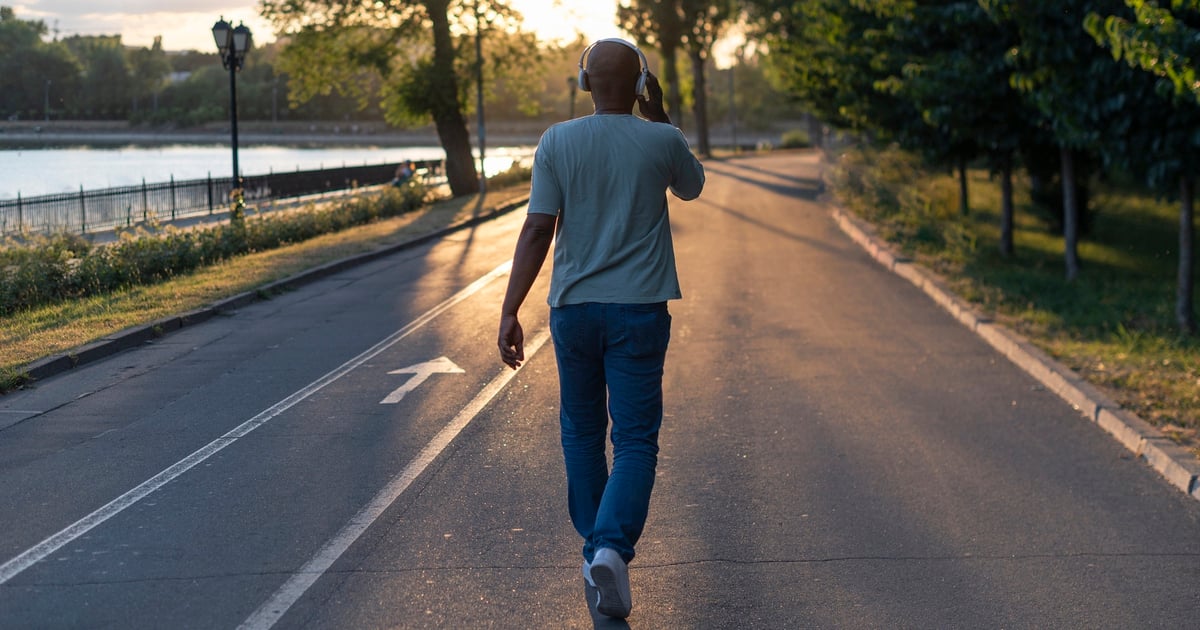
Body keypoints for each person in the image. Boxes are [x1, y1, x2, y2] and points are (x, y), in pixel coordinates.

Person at [497, 38, 704, 619]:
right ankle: (610, 547)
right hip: (639, 310)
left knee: (583, 434)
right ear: (639, 86)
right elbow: (691, 187)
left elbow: (538, 229)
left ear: (584, 82)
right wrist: (658, 113)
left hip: (574, 311)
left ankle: (596, 556)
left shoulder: (557, 141)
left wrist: (511, 309)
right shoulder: (661, 138)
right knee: (635, 440)